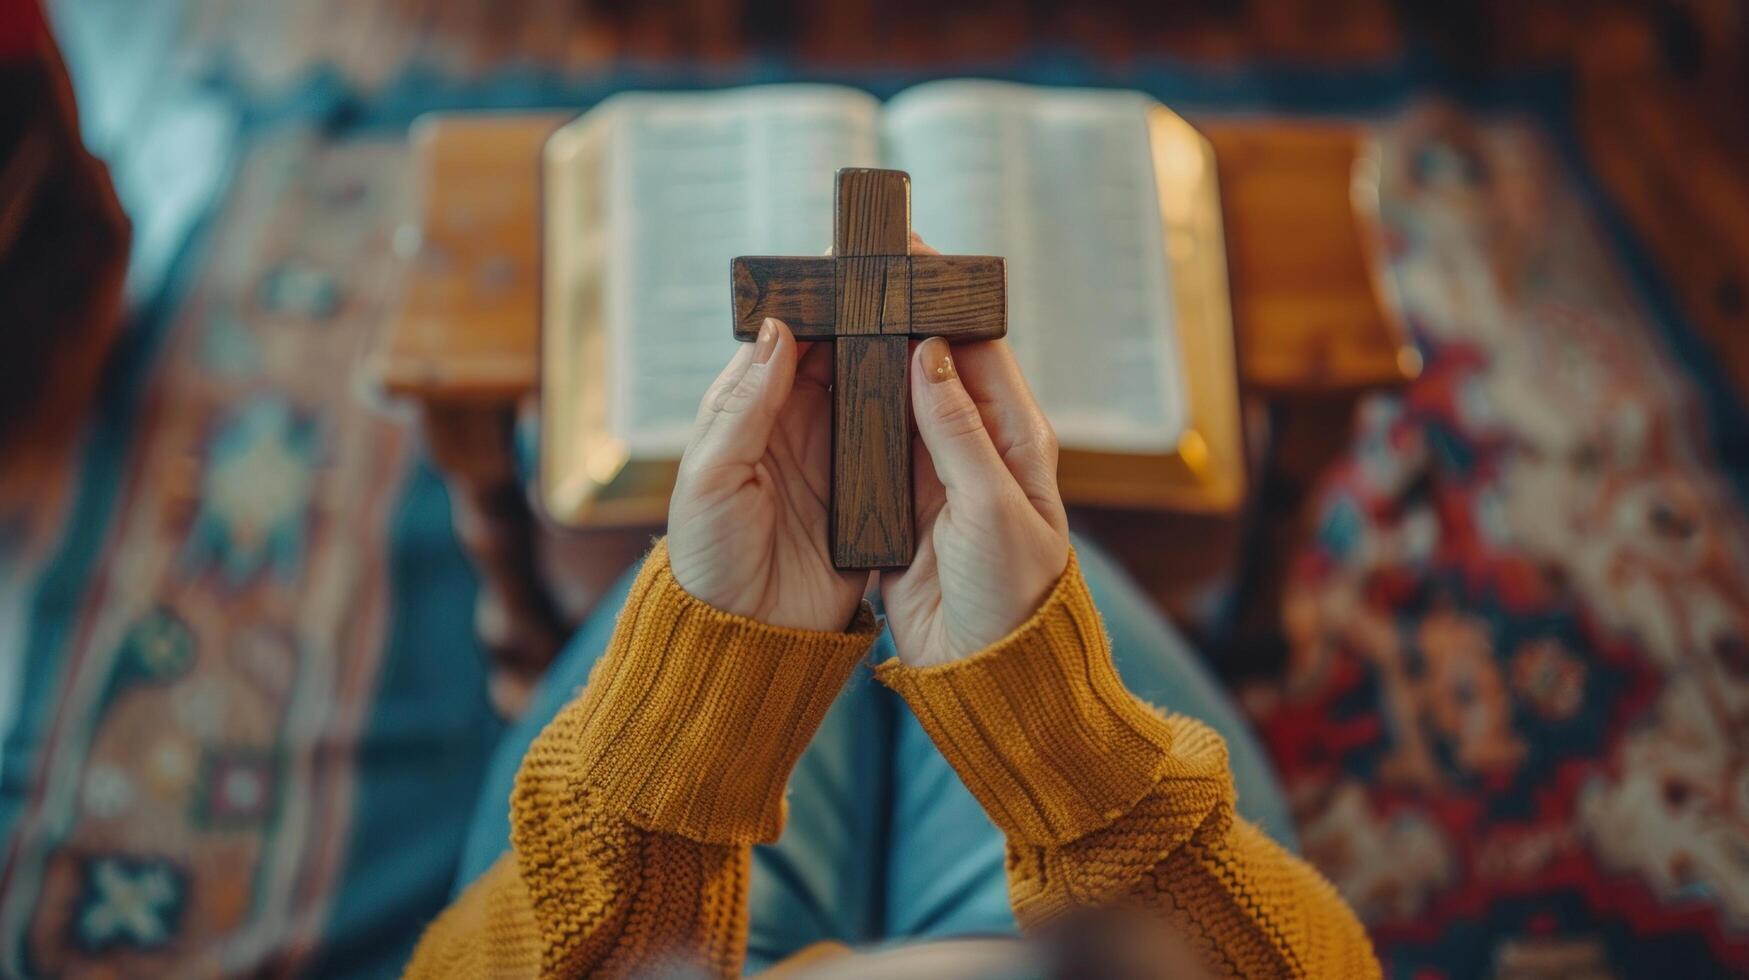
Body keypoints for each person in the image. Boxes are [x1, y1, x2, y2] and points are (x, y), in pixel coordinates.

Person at [405, 239, 1378, 978]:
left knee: (768, 598)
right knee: (1063, 571)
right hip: (1065, 944)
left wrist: (693, 718)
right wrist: (1059, 739)